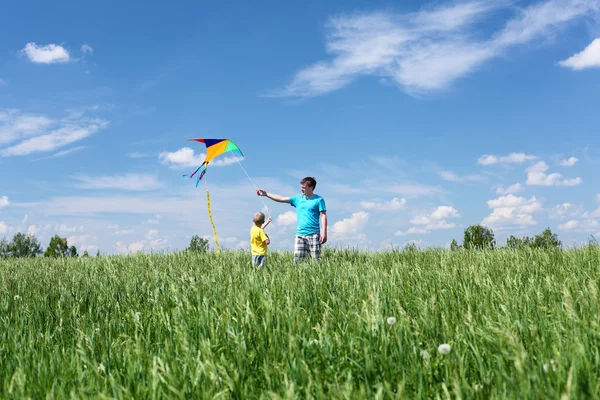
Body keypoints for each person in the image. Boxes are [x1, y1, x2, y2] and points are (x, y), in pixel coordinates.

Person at [256, 176, 327, 264]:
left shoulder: (319, 200)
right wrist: (266, 194)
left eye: (303, 187)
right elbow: (281, 199)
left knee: (316, 261)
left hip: (314, 234)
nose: (301, 189)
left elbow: (323, 216)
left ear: (311, 188)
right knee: (298, 263)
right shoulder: (298, 199)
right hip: (300, 235)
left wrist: (324, 232)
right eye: (301, 187)